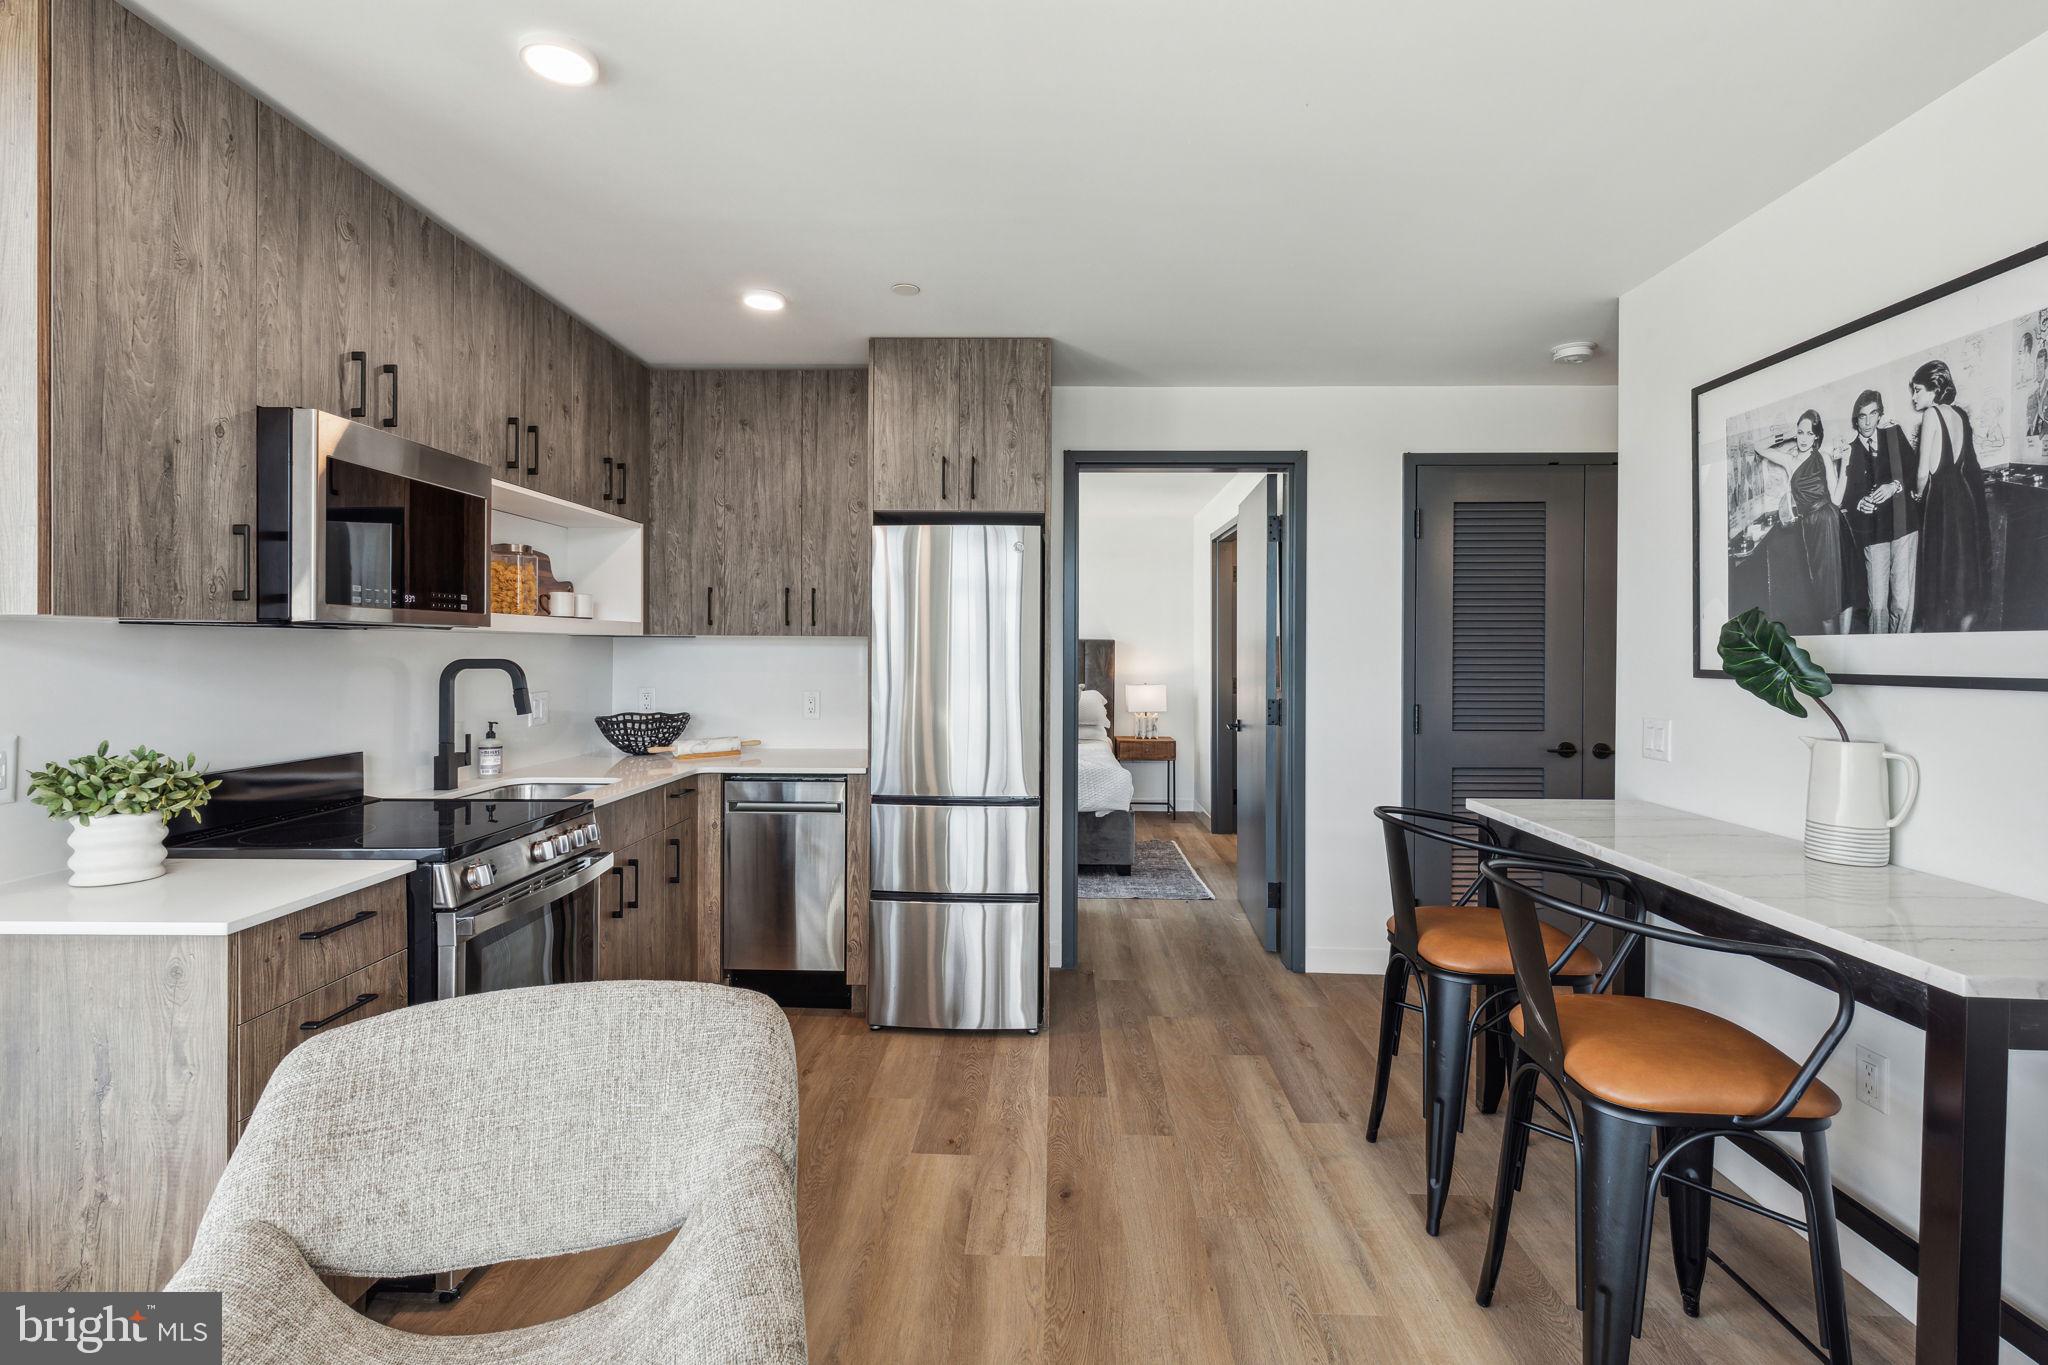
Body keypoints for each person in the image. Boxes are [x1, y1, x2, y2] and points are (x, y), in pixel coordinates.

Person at [1749, 409, 1862, 633]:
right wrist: (1788, 433)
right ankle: (1832, 645)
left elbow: (1837, 499)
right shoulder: (1790, 461)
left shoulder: (1824, 458)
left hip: (1834, 523)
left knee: (1844, 584)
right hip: (1812, 529)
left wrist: (1847, 462)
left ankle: (1846, 642)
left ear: (1816, 437)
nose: (1803, 438)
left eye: (1809, 433)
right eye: (1801, 433)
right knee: (1824, 592)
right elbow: (1759, 447)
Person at [1902, 358, 1986, 631]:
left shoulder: (1931, 415)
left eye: (1917, 390)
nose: (1914, 396)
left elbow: (1923, 472)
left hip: (1940, 501)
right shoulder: (1959, 415)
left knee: (1938, 574)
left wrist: (1916, 496)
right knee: (1961, 570)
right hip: (1963, 497)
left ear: (1934, 389)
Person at [1841, 388, 1920, 632]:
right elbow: (1845, 496)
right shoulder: (1849, 450)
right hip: (1872, 534)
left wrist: (1894, 486)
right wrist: (1858, 504)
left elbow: (1915, 472)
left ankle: (1900, 652)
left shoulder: (1894, 436)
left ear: (1879, 414)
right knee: (1877, 605)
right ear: (1856, 419)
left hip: (1903, 526)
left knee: (1903, 600)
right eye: (1861, 416)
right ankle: (1879, 654)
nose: (1867, 422)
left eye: (1872, 414)